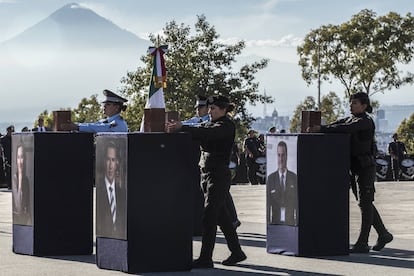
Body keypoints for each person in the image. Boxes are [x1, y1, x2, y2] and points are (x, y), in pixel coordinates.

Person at [166, 95, 246, 268]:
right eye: (209, 109)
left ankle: (205, 258)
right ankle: (237, 251)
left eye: (214, 109)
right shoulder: (211, 123)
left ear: (224, 110)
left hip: (218, 176)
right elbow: (199, 128)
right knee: (222, 217)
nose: (210, 111)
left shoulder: (226, 126)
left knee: (209, 216)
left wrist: (182, 128)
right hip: (207, 175)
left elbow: (207, 133)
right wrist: (179, 127)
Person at [308, 92, 393, 253]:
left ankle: (363, 242)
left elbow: (346, 129)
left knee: (365, 203)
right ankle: (383, 234)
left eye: (354, 103)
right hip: (354, 167)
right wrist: (320, 129)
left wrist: (322, 128)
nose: (351, 105)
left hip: (365, 167)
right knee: (364, 203)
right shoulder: (351, 118)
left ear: (364, 106)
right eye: (351, 103)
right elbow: (337, 124)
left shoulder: (365, 121)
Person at [96, 140, 126, 239]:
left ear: (117, 163)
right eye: (108, 159)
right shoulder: (99, 192)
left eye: (113, 160)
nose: (110, 165)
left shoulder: (122, 193)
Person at [61, 89, 128, 133]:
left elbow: (99, 128)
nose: (104, 106)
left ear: (116, 107)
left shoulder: (119, 123)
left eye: (108, 104)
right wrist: (75, 125)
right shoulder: (105, 121)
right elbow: (93, 125)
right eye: (104, 104)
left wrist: (77, 127)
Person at [267, 141, 298, 225]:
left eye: (283, 155)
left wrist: (297, 223)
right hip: (275, 223)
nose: (281, 159)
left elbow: (297, 203)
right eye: (279, 155)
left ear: (287, 156)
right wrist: (268, 222)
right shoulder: (271, 178)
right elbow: (268, 204)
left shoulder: (294, 178)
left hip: (291, 223)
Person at [12, 143, 32, 225]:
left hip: (25, 220)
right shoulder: (14, 178)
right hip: (17, 218)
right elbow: (18, 206)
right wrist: (19, 182)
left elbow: (28, 204)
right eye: (18, 157)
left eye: (22, 157)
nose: (20, 161)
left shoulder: (26, 180)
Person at [1, 125, 14, 189]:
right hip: (6, 157)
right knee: (8, 171)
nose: (11, 132)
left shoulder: (14, 139)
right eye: (10, 131)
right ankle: (9, 184)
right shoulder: (3, 139)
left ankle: (13, 184)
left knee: (13, 171)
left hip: (14, 156)